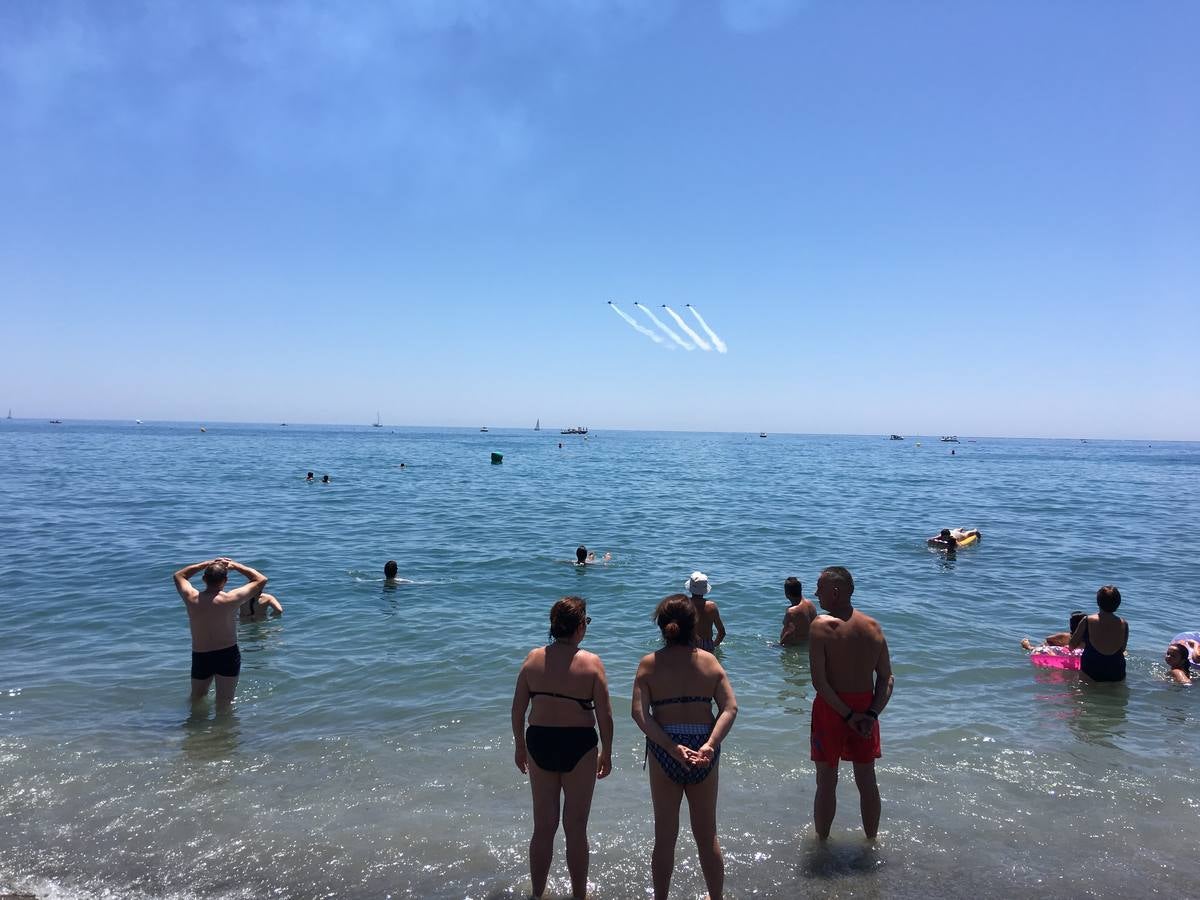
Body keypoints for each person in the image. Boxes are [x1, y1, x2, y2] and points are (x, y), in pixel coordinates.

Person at [632, 595, 737, 900]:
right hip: (704, 747)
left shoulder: (649, 664)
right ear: (694, 625)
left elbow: (640, 714)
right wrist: (710, 744)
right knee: (707, 835)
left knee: (665, 837)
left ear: (662, 626)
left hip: (666, 747)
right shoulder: (709, 661)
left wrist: (670, 746)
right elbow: (729, 708)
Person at [512, 597, 614, 900]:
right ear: (580, 626)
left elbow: (517, 711)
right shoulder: (592, 663)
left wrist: (520, 746)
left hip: (540, 741)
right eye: (587, 622)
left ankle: (537, 894)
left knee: (543, 826)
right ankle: (579, 896)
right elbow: (604, 716)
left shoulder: (532, 659)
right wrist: (607, 751)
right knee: (576, 827)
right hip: (578, 744)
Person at [809, 566, 893, 840]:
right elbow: (886, 679)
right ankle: (871, 842)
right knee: (867, 781)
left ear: (835, 591)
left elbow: (820, 683)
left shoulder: (821, 625)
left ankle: (822, 845)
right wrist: (870, 714)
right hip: (865, 709)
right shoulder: (874, 627)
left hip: (833, 709)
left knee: (826, 782)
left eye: (819, 588)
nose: (815, 593)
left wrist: (847, 715)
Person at [173, 558, 268, 707]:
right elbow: (260, 579)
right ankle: (222, 730)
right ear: (225, 580)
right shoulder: (231, 598)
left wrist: (205, 564)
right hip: (227, 654)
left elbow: (179, 575)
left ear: (204, 579)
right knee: (225, 701)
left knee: (197, 697)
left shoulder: (191, 598)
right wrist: (236, 566)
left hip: (201, 654)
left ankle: (195, 727)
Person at [1069, 585, 1128, 683]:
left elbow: (1072, 645)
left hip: (1091, 671)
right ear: (1118, 603)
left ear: (1098, 602)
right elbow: (1122, 649)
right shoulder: (1124, 624)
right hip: (1117, 672)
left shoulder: (1087, 620)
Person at [684, 572, 725, 652]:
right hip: (707, 645)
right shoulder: (712, 606)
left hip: (688, 644)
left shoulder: (684, 604)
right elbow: (722, 632)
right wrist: (713, 645)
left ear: (690, 588)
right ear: (705, 590)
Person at [1021, 611, 1086, 651]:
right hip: (1080, 656)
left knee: (1049, 642)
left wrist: (1060, 643)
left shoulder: (1065, 636)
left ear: (1071, 624)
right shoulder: (1091, 636)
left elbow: (1048, 638)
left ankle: (1029, 647)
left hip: (1065, 655)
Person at [779, 577, 817, 645]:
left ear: (786, 593)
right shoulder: (810, 604)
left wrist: (779, 646)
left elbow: (789, 633)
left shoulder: (792, 611)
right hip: (808, 644)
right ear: (801, 589)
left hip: (794, 647)